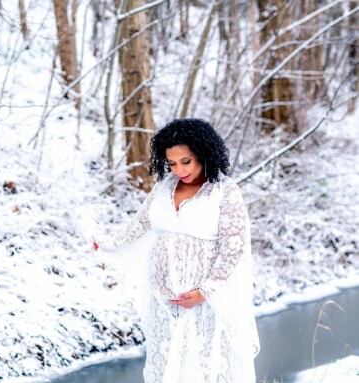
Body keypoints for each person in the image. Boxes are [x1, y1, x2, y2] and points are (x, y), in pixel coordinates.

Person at [94, 118, 260, 383]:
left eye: (186, 161)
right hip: (162, 299)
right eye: (171, 163)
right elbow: (141, 223)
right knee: (171, 365)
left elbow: (233, 245)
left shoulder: (224, 192)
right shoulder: (164, 187)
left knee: (206, 366)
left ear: (204, 154)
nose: (179, 170)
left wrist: (205, 292)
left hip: (205, 301)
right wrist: (110, 243)